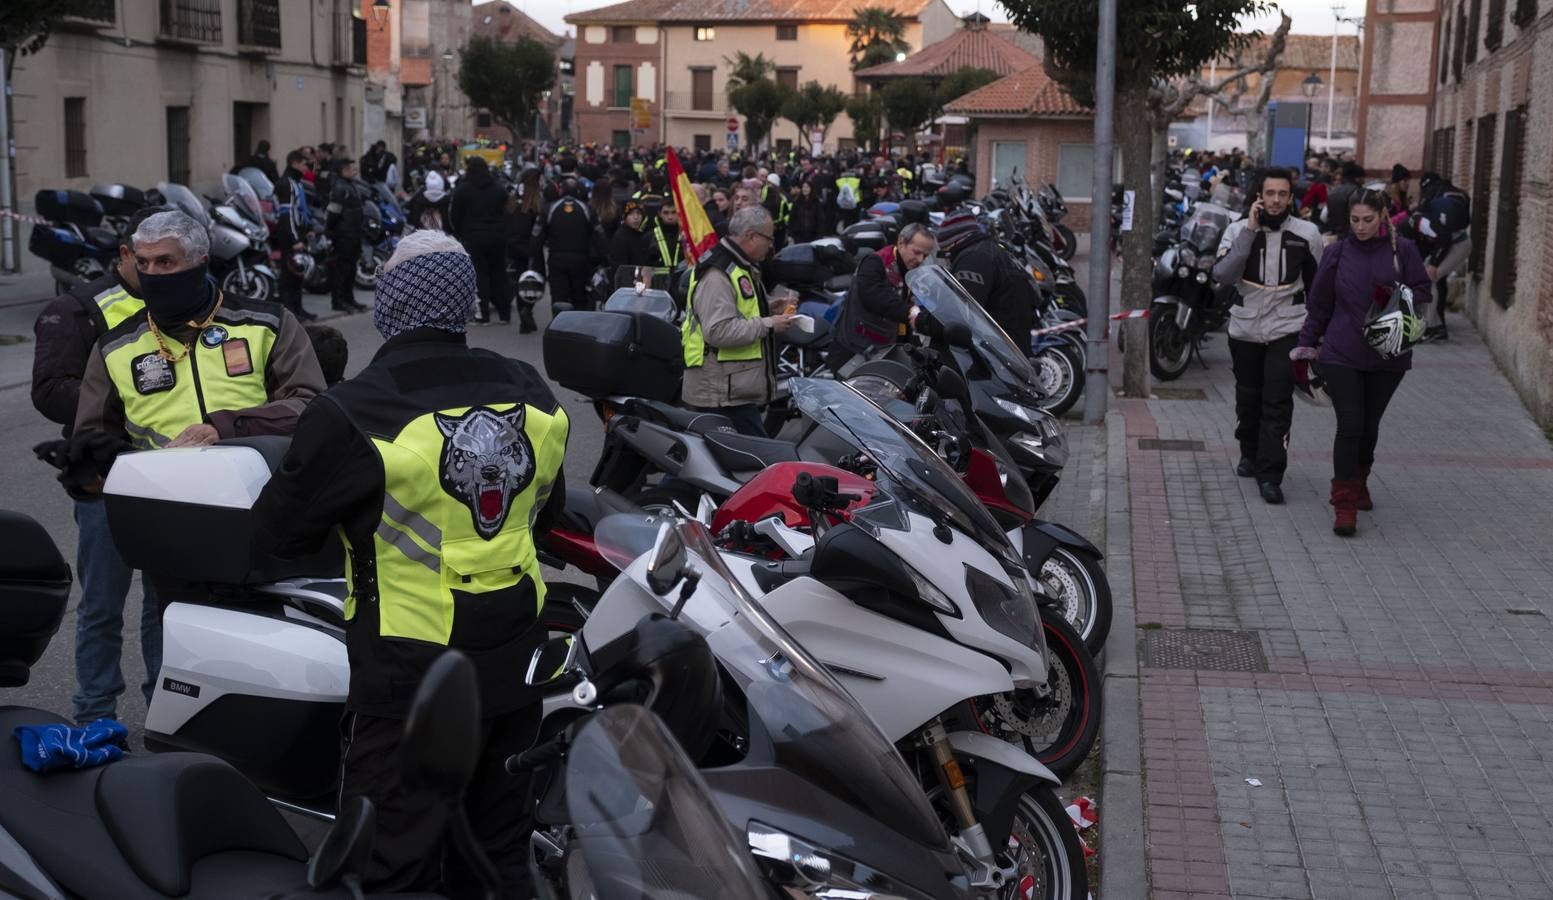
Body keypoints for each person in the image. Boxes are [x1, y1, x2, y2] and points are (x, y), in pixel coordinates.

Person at [251, 230, 567, 898]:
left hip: (411, 679)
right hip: (516, 663)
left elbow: (278, 530)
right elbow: (547, 507)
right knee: (499, 855)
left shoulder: (357, 408)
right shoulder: (530, 390)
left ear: (390, 302)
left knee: (394, 864)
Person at [31, 206, 159, 723]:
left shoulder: (184, 304)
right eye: (152, 260)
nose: (164, 272)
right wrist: (126, 404)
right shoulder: (79, 308)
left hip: (176, 475)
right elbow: (48, 390)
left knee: (165, 605)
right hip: (105, 476)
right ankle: (94, 712)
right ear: (126, 254)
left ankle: (166, 712)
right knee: (104, 605)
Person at [1292, 188, 1431, 536]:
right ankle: (1343, 503)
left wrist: (1395, 297)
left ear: (1383, 215)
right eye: (1355, 220)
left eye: (1368, 220)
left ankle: (1359, 482)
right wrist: (1305, 347)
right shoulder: (1336, 253)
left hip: (1389, 353)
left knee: (1369, 425)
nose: (1361, 226)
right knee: (1350, 424)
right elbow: (1320, 304)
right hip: (1342, 351)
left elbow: (1424, 292)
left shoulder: (1405, 251)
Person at [1211, 167, 1325, 505]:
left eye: (1282, 194)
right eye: (1270, 194)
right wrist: (1249, 230)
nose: (1276, 201)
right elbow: (1224, 274)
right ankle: (1249, 451)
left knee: (1276, 402)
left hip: (1288, 328)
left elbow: (1319, 287)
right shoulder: (1236, 230)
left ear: (1291, 197)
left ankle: (1271, 474)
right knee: (1249, 398)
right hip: (1245, 327)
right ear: (1259, 196)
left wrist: (1317, 336)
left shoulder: (1308, 233)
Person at [681, 205, 794, 437]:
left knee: (721, 462)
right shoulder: (718, 274)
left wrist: (770, 307)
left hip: (730, 390)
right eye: (769, 238)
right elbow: (719, 331)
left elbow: (737, 310)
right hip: (719, 393)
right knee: (754, 460)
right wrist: (769, 324)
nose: (771, 245)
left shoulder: (738, 265)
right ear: (751, 236)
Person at [829, 222, 937, 372]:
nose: (920, 260)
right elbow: (876, 297)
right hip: (855, 350)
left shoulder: (911, 272)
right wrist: (911, 312)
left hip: (884, 351)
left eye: (924, 256)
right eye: (916, 252)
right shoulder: (875, 262)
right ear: (901, 243)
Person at [937, 213, 1033, 350]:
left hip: (997, 353)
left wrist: (922, 321)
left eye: (945, 249)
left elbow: (961, 312)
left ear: (954, 242)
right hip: (1014, 347)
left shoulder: (973, 258)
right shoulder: (997, 251)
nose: (947, 257)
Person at [450, 156, 512, 326]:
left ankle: (482, 314)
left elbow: (455, 216)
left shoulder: (463, 191)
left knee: (480, 275)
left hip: (474, 237)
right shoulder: (499, 190)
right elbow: (507, 213)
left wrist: (462, 232)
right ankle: (504, 314)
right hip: (497, 237)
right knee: (499, 274)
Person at [1410, 171, 1471, 343]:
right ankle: (1435, 325)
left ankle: (1431, 327)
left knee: (1430, 279)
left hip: (1455, 245)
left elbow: (1442, 237)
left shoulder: (1431, 198)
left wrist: (1434, 263)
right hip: (1454, 242)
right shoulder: (1458, 193)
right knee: (1431, 280)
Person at [530, 178, 603, 313]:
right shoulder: (587, 209)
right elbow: (599, 236)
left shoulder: (550, 208)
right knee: (580, 297)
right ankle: (578, 328)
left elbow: (536, 237)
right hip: (581, 260)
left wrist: (537, 264)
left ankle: (558, 328)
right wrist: (601, 261)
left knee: (559, 298)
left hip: (557, 261)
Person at [273, 150, 315, 322]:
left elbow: (300, 210)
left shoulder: (296, 182)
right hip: (289, 236)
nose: (308, 168)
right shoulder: (286, 184)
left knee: (299, 274)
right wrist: (294, 239)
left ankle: (298, 308)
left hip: (298, 232)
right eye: (306, 164)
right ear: (295, 163)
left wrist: (308, 228)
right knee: (288, 275)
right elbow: (286, 214)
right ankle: (289, 312)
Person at [326, 158, 368, 314]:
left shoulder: (351, 185)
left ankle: (349, 298)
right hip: (343, 234)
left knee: (351, 269)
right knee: (342, 269)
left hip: (354, 233)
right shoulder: (339, 188)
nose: (355, 172)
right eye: (352, 169)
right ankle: (338, 301)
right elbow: (333, 213)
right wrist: (331, 231)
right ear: (343, 171)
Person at [607, 199, 655, 269]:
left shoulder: (642, 235)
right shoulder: (621, 238)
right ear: (624, 216)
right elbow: (620, 269)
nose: (636, 217)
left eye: (639, 213)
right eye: (631, 213)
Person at [647, 198, 682, 269]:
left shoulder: (686, 235)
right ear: (659, 213)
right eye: (666, 213)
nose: (670, 217)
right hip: (658, 279)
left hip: (682, 277)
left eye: (674, 212)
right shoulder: (649, 237)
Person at [787, 180, 821, 245]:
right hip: (799, 235)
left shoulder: (816, 203)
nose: (804, 189)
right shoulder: (797, 202)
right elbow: (792, 218)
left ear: (811, 189)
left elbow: (820, 220)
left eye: (807, 187)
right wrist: (790, 233)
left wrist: (819, 235)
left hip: (812, 235)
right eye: (803, 187)